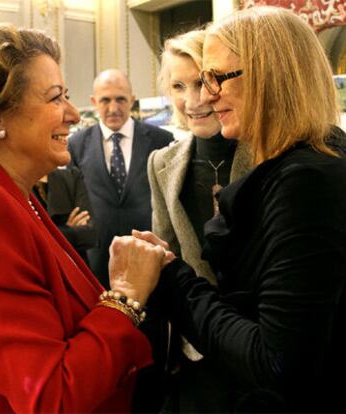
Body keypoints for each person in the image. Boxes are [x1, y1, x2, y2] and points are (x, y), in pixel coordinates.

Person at [109, 6, 346, 412]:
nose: (204, 95)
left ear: (271, 76)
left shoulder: (305, 180)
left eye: (216, 77)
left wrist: (172, 277)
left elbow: (276, 361)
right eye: (193, 83)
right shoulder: (305, 165)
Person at [0, 23, 168, 413]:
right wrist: (126, 295)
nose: (75, 115)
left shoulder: (5, 191)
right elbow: (51, 396)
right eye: (55, 98)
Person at [147, 29, 252, 413]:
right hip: (197, 352)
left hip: (263, 346)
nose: (192, 101)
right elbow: (168, 255)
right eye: (178, 85)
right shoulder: (161, 164)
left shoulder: (271, 151)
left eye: (201, 82)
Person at [68, 69, 173, 289]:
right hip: (97, 263)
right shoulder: (76, 145)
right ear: (94, 101)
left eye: (121, 99)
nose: (113, 108)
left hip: (149, 258)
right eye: (105, 100)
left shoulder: (161, 140)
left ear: (132, 101)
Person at [32, 166, 96, 262]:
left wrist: (56, 232)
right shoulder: (18, 184)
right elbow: (32, 240)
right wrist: (70, 230)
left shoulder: (71, 176)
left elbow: (90, 235)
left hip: (76, 265)